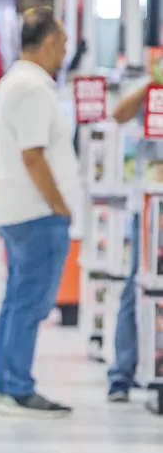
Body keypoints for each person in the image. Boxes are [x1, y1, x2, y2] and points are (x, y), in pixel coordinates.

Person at [0, 7, 77, 417]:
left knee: (18, 300)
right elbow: (33, 155)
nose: (66, 51)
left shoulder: (12, 83)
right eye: (65, 42)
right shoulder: (33, 88)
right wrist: (60, 206)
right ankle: (17, 388)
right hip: (36, 214)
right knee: (29, 303)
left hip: (19, 210)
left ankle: (8, 385)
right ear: (51, 42)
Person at [106, 77, 151, 402]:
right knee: (137, 284)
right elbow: (118, 114)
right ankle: (121, 375)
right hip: (148, 206)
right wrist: (153, 86)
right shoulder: (147, 85)